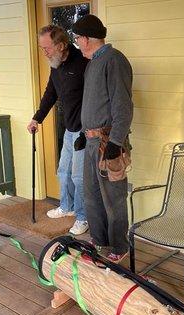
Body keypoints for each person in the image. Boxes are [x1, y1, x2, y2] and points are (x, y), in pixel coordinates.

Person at [72, 15, 133, 263]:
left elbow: (123, 106)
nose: (77, 43)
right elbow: (96, 105)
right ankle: (99, 243)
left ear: (86, 39)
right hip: (92, 142)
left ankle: (120, 246)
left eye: (77, 38)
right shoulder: (93, 63)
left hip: (108, 143)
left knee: (113, 198)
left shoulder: (113, 60)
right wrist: (83, 134)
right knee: (91, 196)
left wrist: (116, 142)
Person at [27, 25, 89, 235]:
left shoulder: (83, 63)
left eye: (47, 48)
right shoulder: (55, 65)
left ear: (61, 45)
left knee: (79, 177)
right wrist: (37, 118)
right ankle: (68, 207)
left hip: (84, 131)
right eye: (42, 48)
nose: (44, 52)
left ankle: (83, 217)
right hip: (69, 128)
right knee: (64, 171)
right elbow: (50, 93)